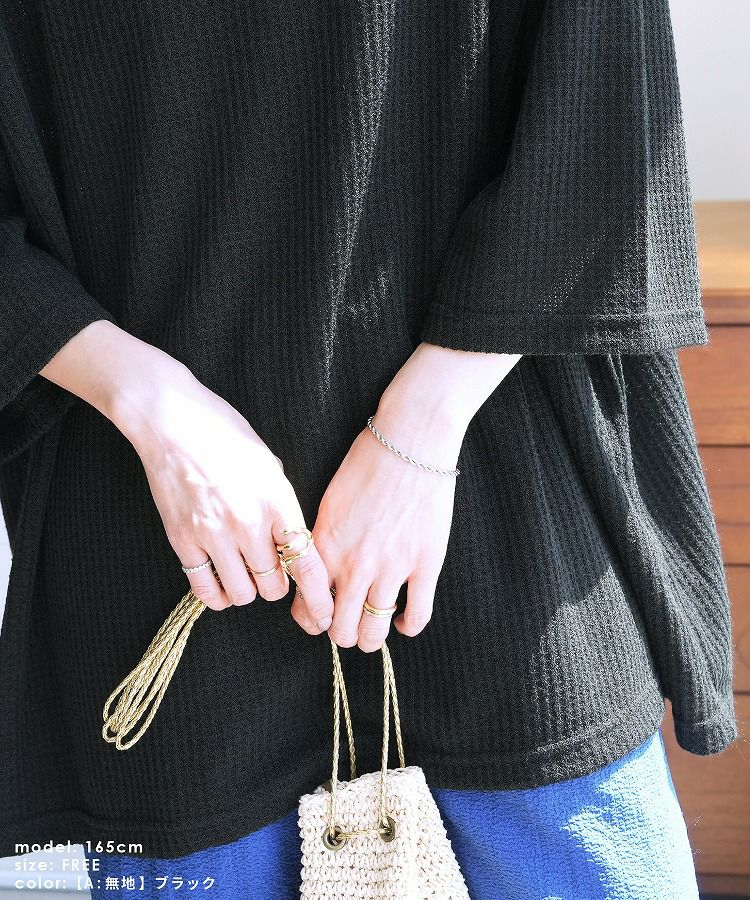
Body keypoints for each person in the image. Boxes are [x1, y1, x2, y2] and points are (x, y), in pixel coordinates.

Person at [0, 1, 736, 898]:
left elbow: (607, 88)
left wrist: (422, 432)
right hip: (170, 540)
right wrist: (153, 407)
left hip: (498, 501)